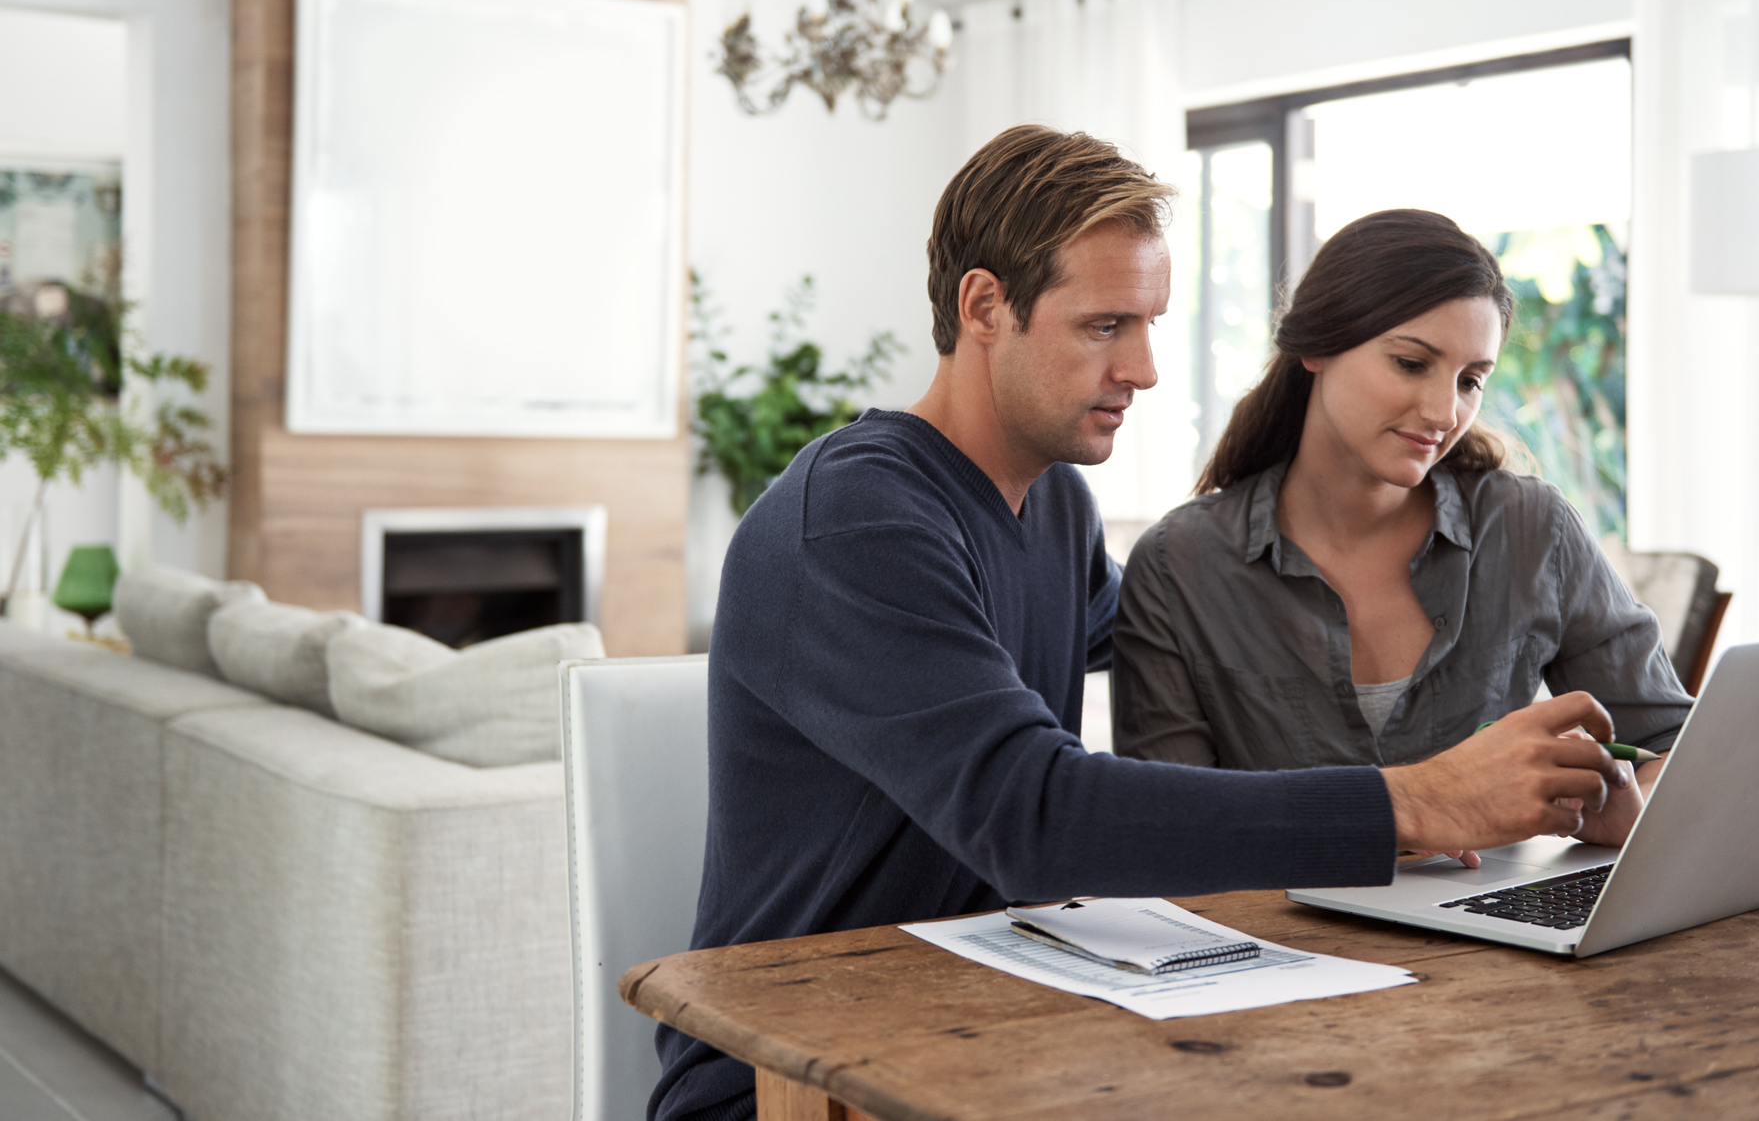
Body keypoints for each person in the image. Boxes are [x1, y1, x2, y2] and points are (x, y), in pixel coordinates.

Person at [652, 131, 1637, 1121]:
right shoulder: (858, 519)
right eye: (1104, 323)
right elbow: (1038, 815)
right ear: (984, 306)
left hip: (989, 1028)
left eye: (1151, 322)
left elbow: (1209, 642)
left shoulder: (1053, 511)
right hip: (792, 1071)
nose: (1146, 366)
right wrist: (1412, 804)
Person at [1110, 208, 1692, 832]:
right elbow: (1168, 828)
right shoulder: (1180, 565)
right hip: (1275, 926)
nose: (1444, 411)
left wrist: (1630, 807)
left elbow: (1677, 750)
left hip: (1499, 923)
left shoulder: (1530, 529)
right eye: (1412, 364)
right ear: (1318, 345)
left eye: (1471, 380)